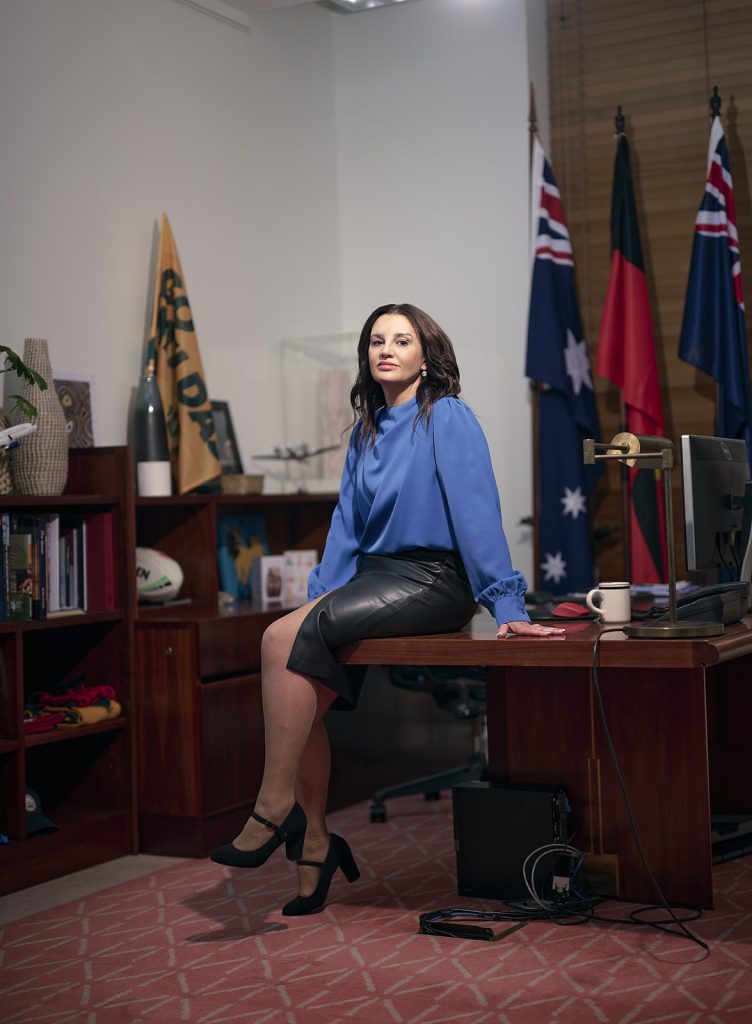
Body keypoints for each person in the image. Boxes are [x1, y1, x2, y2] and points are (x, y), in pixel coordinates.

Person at [210, 302, 564, 914]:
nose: (387, 349)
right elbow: (346, 522)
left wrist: (506, 602)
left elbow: (477, 513)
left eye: (402, 340)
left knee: (283, 645)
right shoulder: (367, 428)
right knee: (286, 661)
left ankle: (274, 808)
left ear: (426, 356)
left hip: (433, 577)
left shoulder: (447, 417)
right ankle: (316, 842)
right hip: (374, 581)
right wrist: (321, 590)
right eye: (377, 340)